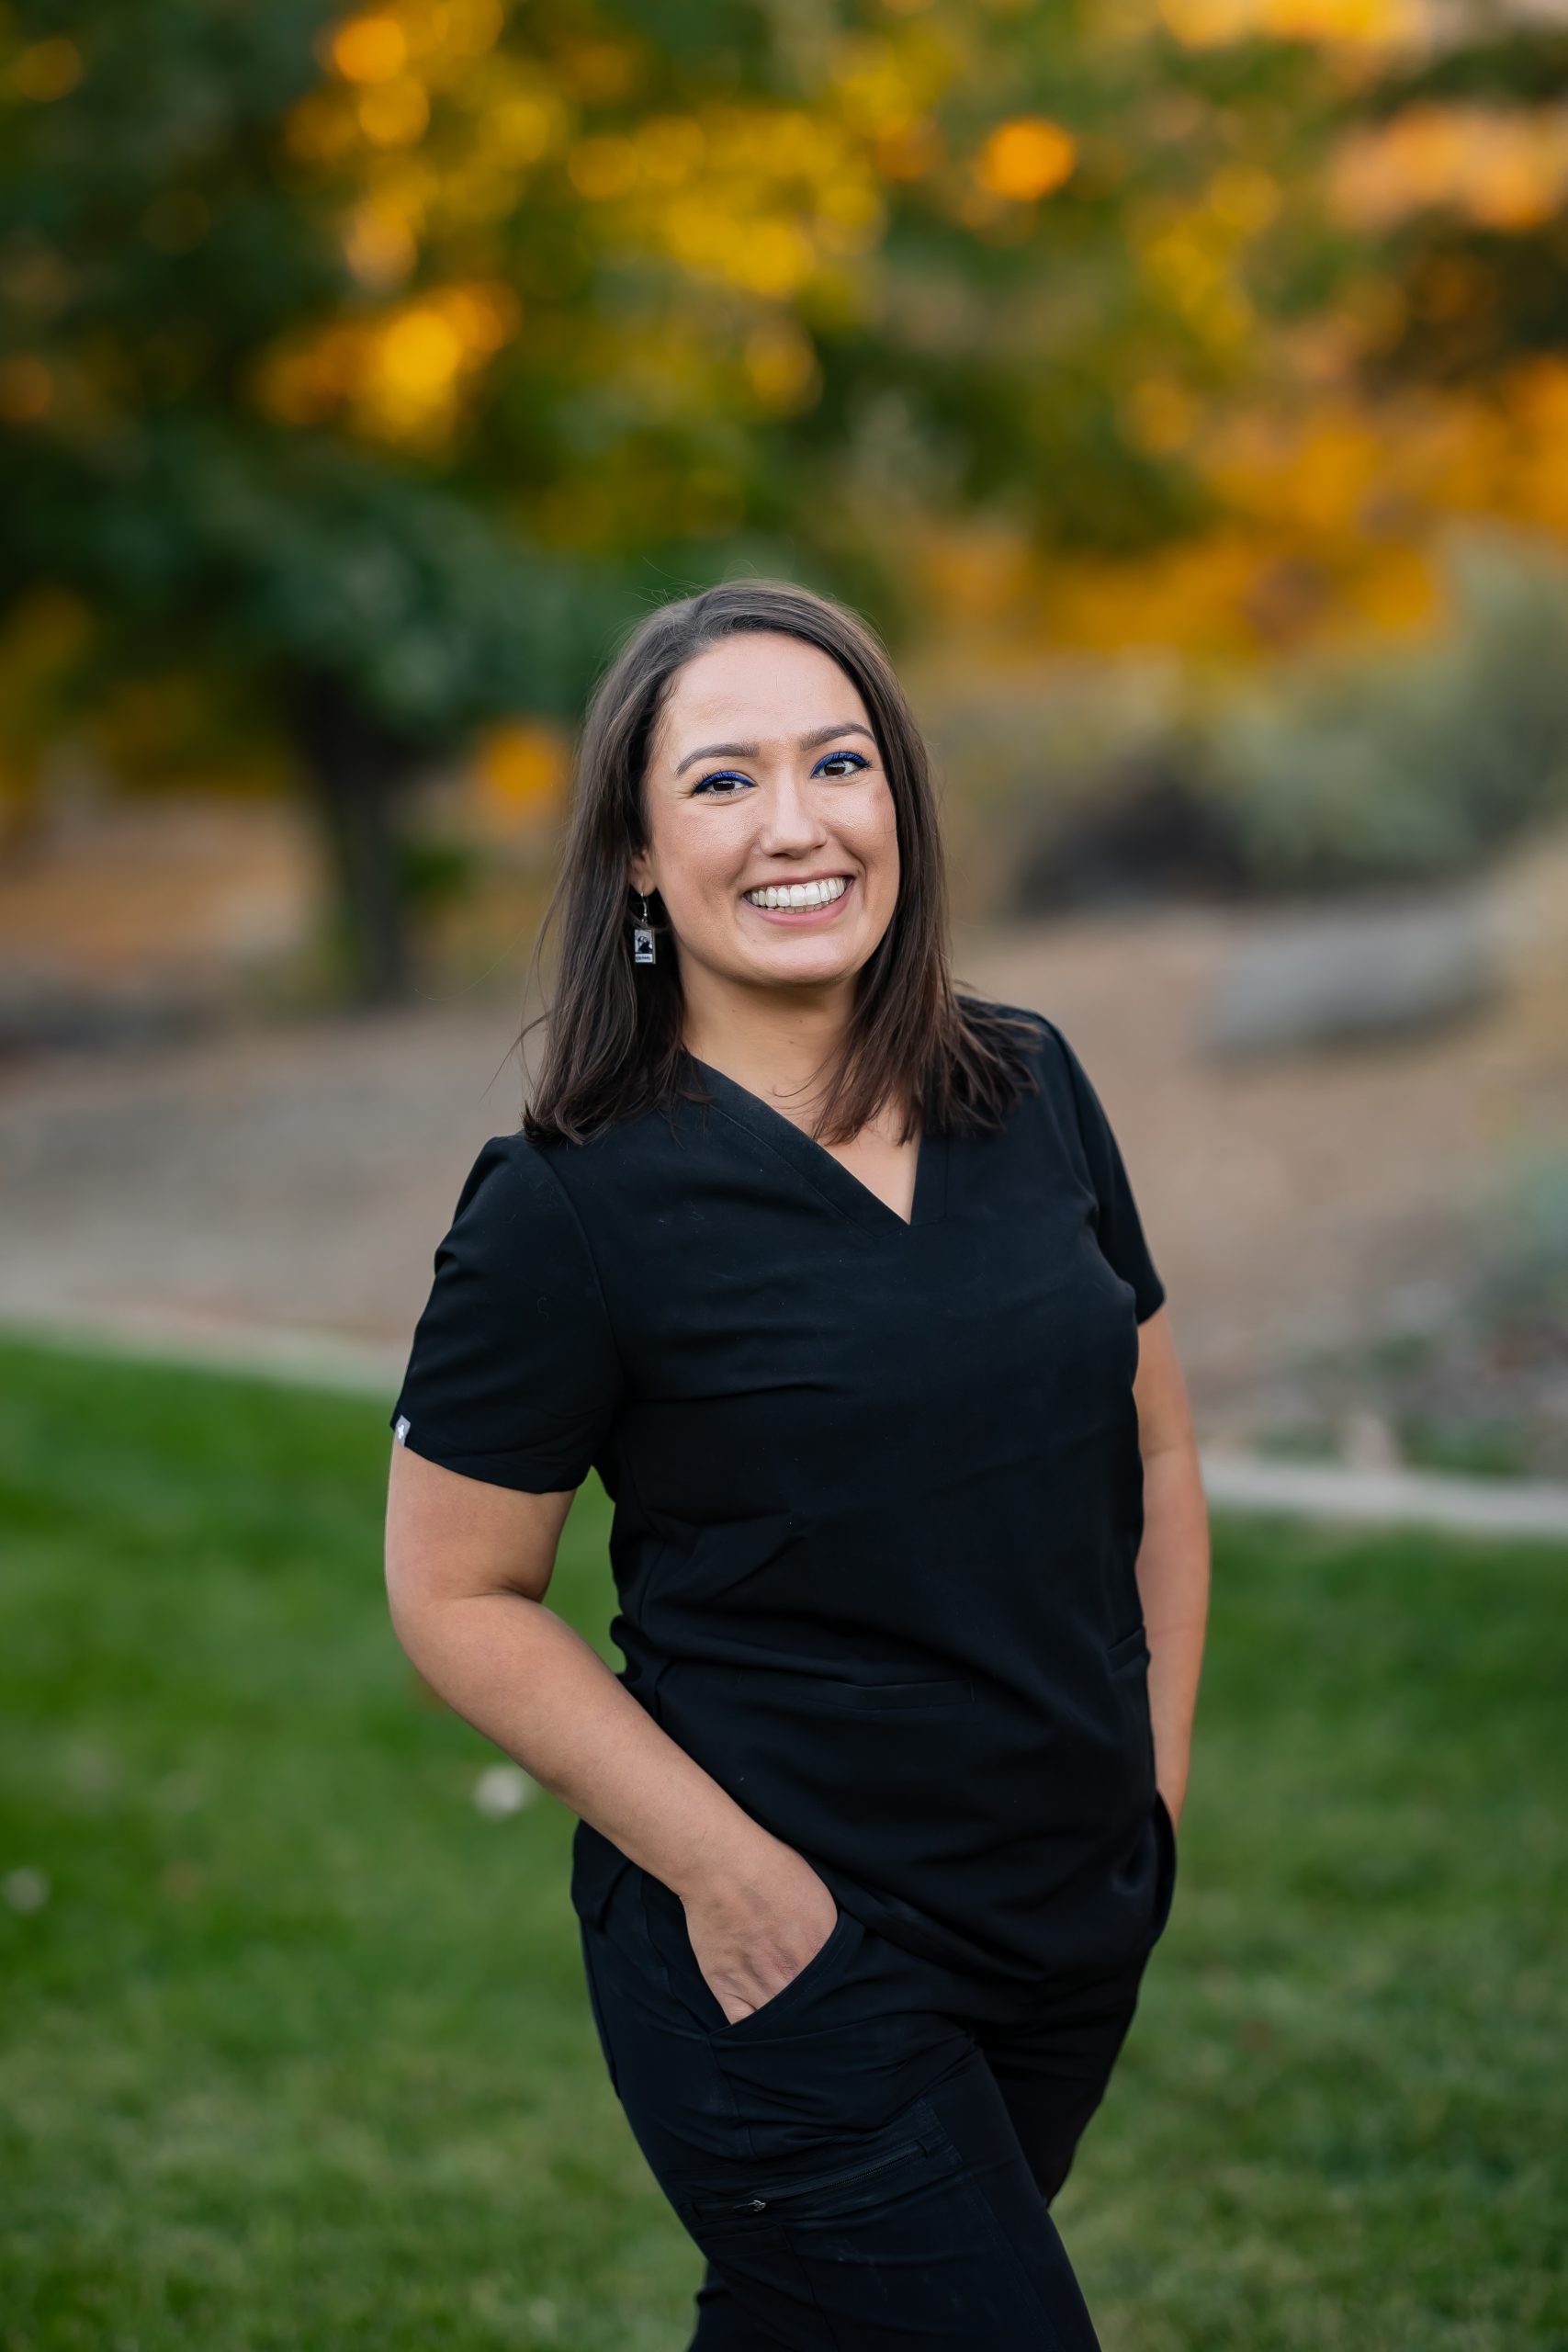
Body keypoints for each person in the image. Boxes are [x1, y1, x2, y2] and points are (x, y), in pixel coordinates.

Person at [383, 578, 1211, 2350]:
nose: (796, 823)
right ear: (632, 853)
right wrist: (737, 1882)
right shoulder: (566, 1210)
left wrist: (1153, 1787)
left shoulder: (1031, 1084)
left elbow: (1151, 1446)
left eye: (838, 761)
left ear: (896, 797)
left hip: (1067, 1919)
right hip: (795, 1954)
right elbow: (452, 1591)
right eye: (721, 780)